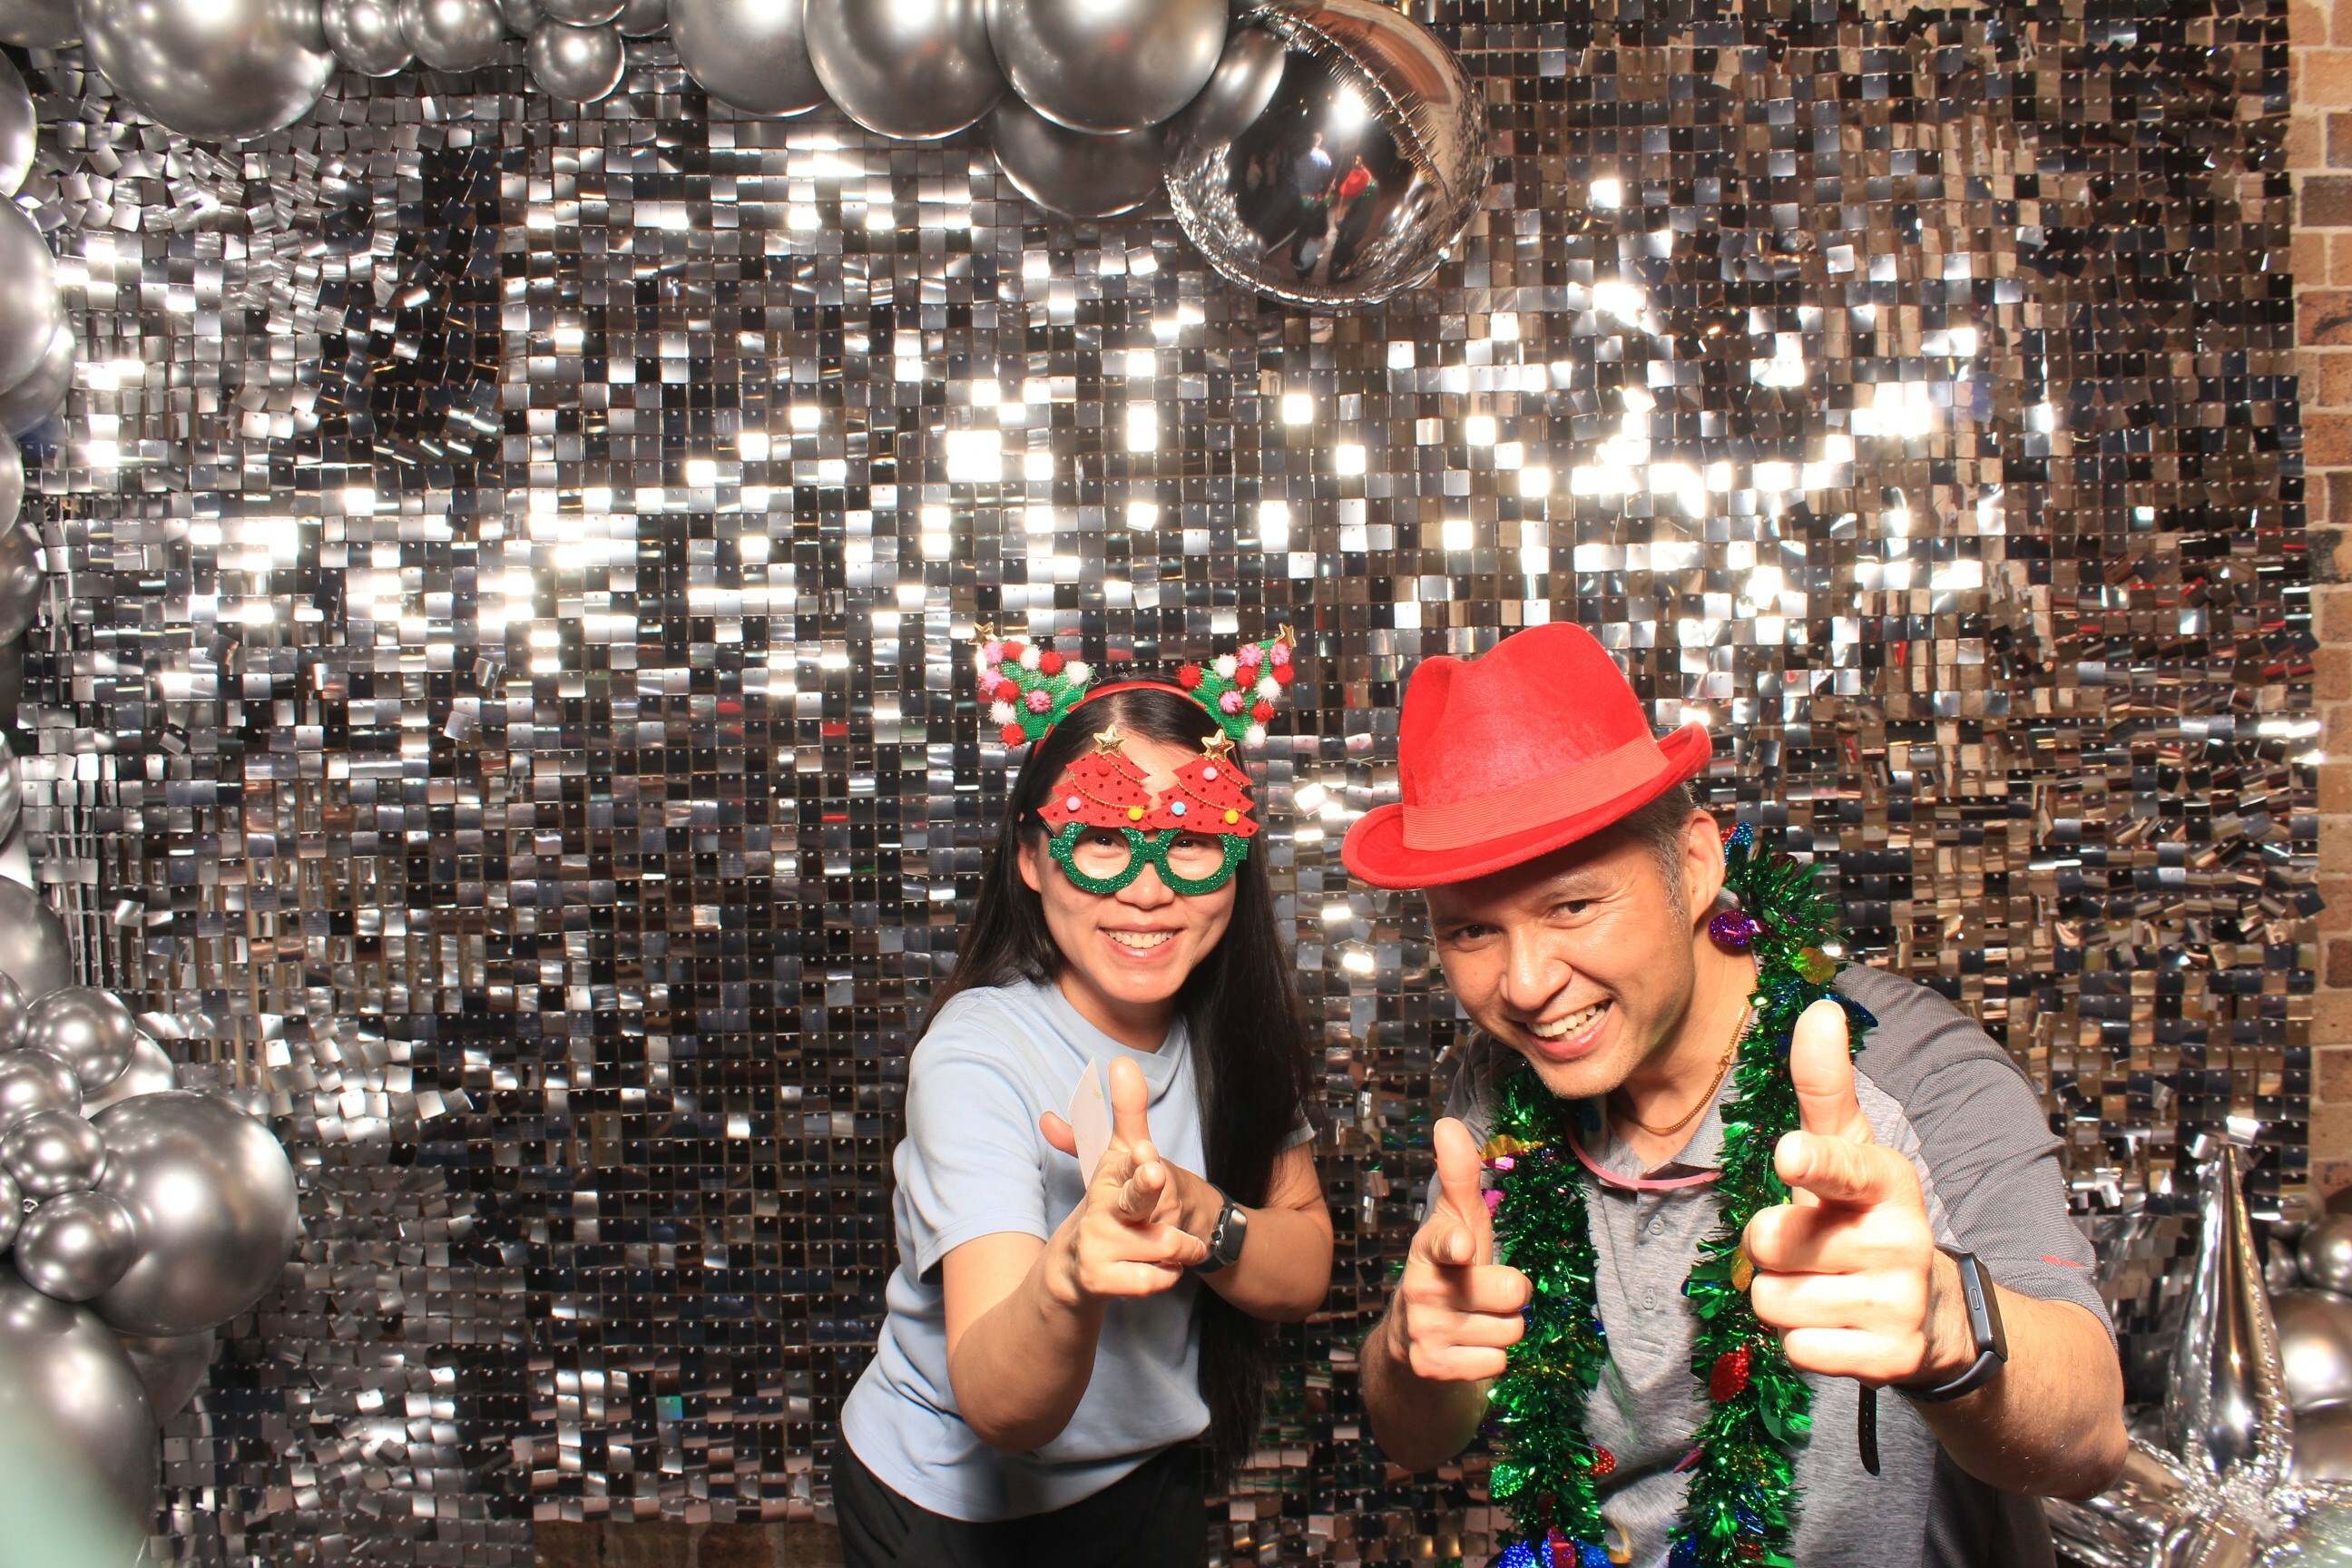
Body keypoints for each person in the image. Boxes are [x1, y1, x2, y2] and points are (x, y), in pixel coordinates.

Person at [1342, 622, 2127, 1568]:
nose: (1526, 984)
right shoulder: (1496, 1093)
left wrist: (1949, 1330)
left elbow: (2091, 1438)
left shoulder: (1909, 1071)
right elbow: (1415, 1435)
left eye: (1573, 906)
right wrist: (1411, 1348)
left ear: (1697, 863)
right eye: (1472, 933)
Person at [834, 634, 1332, 1568]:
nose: (1146, 889)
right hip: (952, 1513)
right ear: (1031, 856)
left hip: (1143, 1483)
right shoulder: (976, 1055)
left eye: (1191, 839)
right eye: (1103, 835)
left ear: (1234, 859)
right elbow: (1002, 1408)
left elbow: (1302, 1272)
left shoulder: (1238, 1028)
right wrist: (1069, 1277)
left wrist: (1196, 1212)